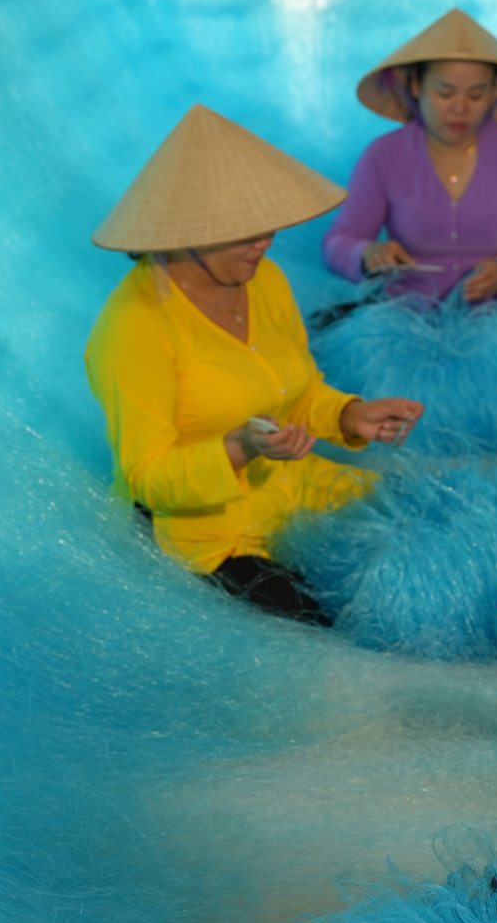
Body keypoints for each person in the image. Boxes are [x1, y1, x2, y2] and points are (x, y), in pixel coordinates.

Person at [85, 104, 425, 623]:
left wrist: (349, 415)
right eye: (245, 232)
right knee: (327, 624)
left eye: (265, 226)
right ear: (186, 230)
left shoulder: (264, 280)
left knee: (421, 516)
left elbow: (298, 389)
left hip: (294, 489)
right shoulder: (132, 328)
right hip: (207, 537)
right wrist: (238, 448)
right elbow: (146, 477)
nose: (264, 243)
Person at [320, 9, 497, 337]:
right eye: (445, 93)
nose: (460, 108)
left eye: (476, 95)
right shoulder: (383, 155)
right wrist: (367, 253)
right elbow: (336, 244)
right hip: (404, 313)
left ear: (493, 93)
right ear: (415, 85)